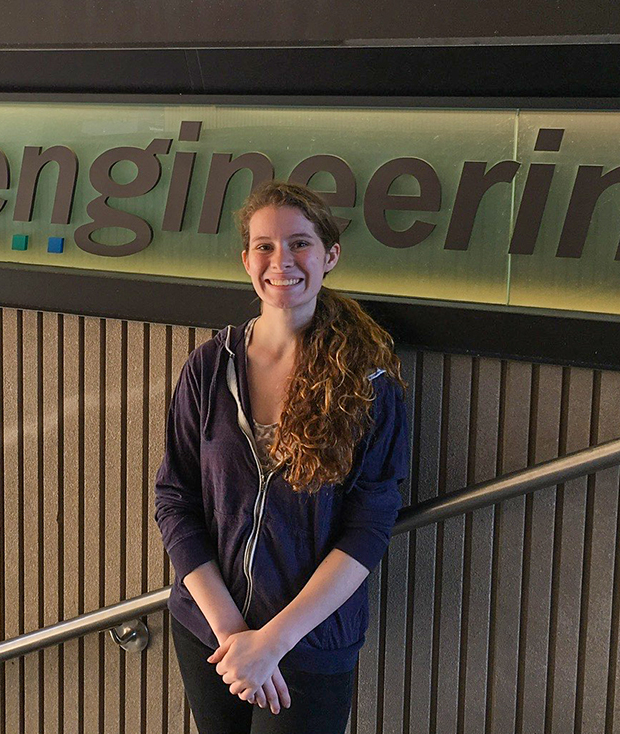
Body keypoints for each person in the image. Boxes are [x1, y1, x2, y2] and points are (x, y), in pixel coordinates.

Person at [153, 180, 410, 733]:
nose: (281, 261)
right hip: (210, 633)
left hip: (309, 644)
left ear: (330, 256)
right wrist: (233, 636)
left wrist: (272, 642)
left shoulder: (369, 383)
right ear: (246, 259)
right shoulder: (209, 365)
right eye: (265, 246)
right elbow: (175, 499)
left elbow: (368, 528)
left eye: (300, 243)